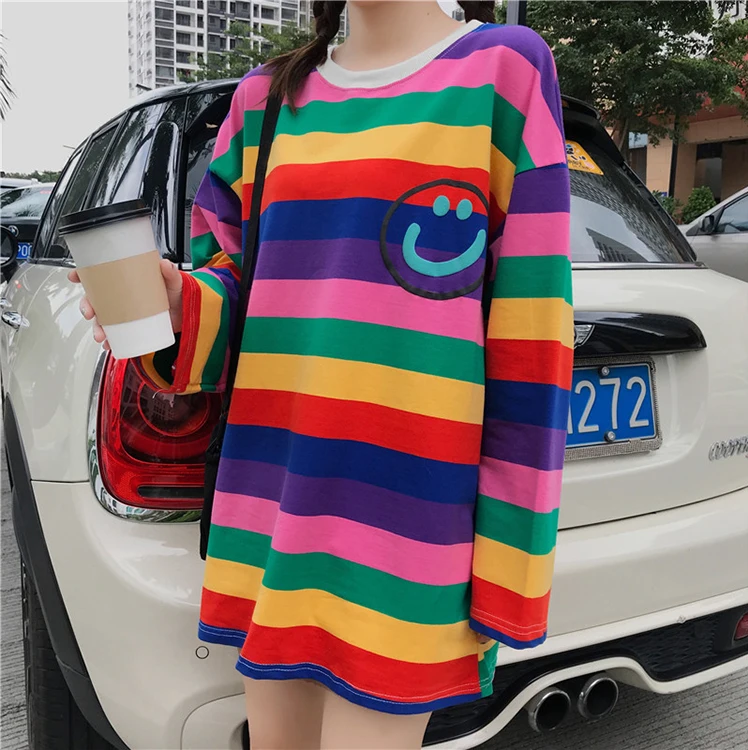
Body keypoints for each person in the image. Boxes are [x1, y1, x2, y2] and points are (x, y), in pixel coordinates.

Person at [72, 1, 572, 747]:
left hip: (409, 521)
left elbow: (532, 341)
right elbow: (239, 293)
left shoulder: (504, 71)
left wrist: (510, 568)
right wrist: (179, 303)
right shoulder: (265, 100)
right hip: (274, 501)